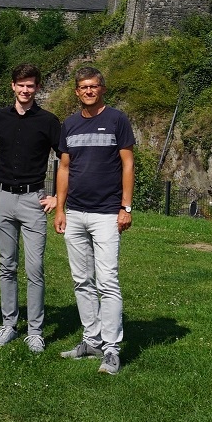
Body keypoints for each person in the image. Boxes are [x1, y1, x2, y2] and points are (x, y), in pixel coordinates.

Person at [54, 65, 135, 376]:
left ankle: (112, 349)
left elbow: (128, 165)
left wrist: (126, 207)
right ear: (77, 92)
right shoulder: (70, 125)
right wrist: (60, 209)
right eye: (83, 87)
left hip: (106, 213)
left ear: (102, 89)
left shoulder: (117, 120)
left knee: (107, 282)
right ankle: (91, 340)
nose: (88, 91)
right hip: (74, 212)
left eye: (94, 86)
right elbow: (64, 168)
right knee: (81, 280)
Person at [0, 62, 61, 352]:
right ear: (13, 86)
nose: (25, 90)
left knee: (35, 268)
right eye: (21, 85)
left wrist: (56, 197)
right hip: (2, 197)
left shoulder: (49, 121)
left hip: (33, 199)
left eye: (31, 86)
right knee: (7, 265)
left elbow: (65, 159)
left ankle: (35, 330)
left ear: (37, 88)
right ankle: (9, 324)